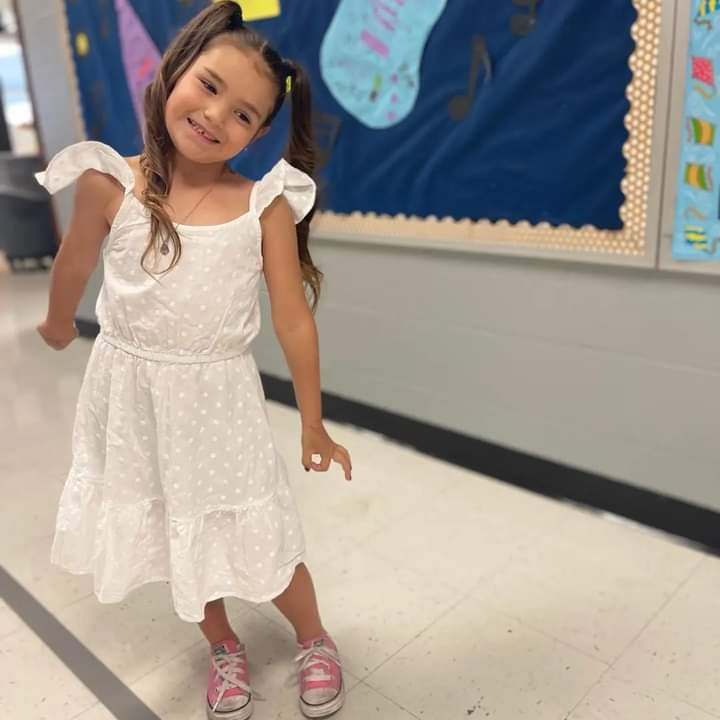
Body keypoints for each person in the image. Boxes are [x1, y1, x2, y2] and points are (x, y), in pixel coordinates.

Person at [35, 3, 352, 718]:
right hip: (132, 396)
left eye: (242, 114)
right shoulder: (108, 182)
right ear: (174, 70)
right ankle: (223, 646)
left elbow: (292, 317)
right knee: (176, 530)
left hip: (219, 400)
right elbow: (73, 261)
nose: (214, 116)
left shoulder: (262, 206)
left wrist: (313, 421)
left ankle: (313, 636)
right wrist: (57, 321)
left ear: (260, 133)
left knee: (255, 529)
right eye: (208, 86)